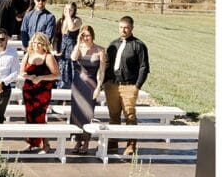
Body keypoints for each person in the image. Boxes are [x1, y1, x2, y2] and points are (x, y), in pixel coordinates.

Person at [103, 16, 150, 156]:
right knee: (113, 115)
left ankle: (131, 145)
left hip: (129, 86)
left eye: (126, 27)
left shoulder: (138, 45)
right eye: (121, 27)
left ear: (131, 28)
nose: (123, 30)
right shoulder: (113, 45)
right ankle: (113, 142)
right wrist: (103, 82)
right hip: (112, 85)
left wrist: (137, 86)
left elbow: (144, 67)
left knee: (129, 116)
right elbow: (107, 65)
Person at [19, 32, 60, 152]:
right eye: (35, 42)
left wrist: (41, 78)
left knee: (40, 117)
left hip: (42, 91)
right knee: (29, 116)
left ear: (44, 44)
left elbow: (56, 75)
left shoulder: (48, 57)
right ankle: (31, 143)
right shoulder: (28, 54)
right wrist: (29, 77)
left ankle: (46, 144)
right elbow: (21, 72)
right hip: (28, 90)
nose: (37, 45)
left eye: (40, 43)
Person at [69, 25, 106, 155]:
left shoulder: (100, 50)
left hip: (91, 85)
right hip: (78, 84)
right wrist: (78, 42)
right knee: (77, 114)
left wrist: (98, 87)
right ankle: (77, 141)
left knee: (88, 114)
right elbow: (73, 58)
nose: (85, 38)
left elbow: (101, 72)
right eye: (83, 35)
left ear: (92, 35)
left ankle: (86, 142)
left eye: (87, 35)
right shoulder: (78, 48)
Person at [55, 2, 82, 89]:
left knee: (71, 73)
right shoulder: (60, 21)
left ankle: (68, 98)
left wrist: (68, 17)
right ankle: (59, 96)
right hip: (61, 51)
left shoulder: (77, 20)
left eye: (70, 10)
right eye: (66, 9)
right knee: (61, 73)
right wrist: (55, 50)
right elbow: (56, 38)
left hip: (72, 50)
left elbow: (71, 28)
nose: (68, 11)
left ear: (74, 11)